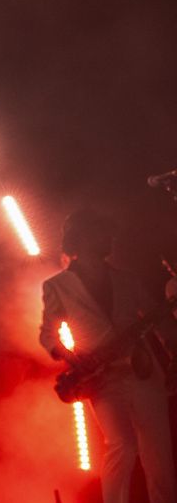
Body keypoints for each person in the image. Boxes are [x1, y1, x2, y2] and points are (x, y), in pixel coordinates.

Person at [38, 208, 177, 503]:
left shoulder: (129, 279)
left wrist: (173, 349)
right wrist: (72, 358)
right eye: (103, 232)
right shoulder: (56, 286)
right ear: (82, 238)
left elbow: (162, 320)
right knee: (122, 446)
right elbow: (47, 334)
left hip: (144, 372)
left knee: (160, 459)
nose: (110, 238)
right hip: (101, 378)